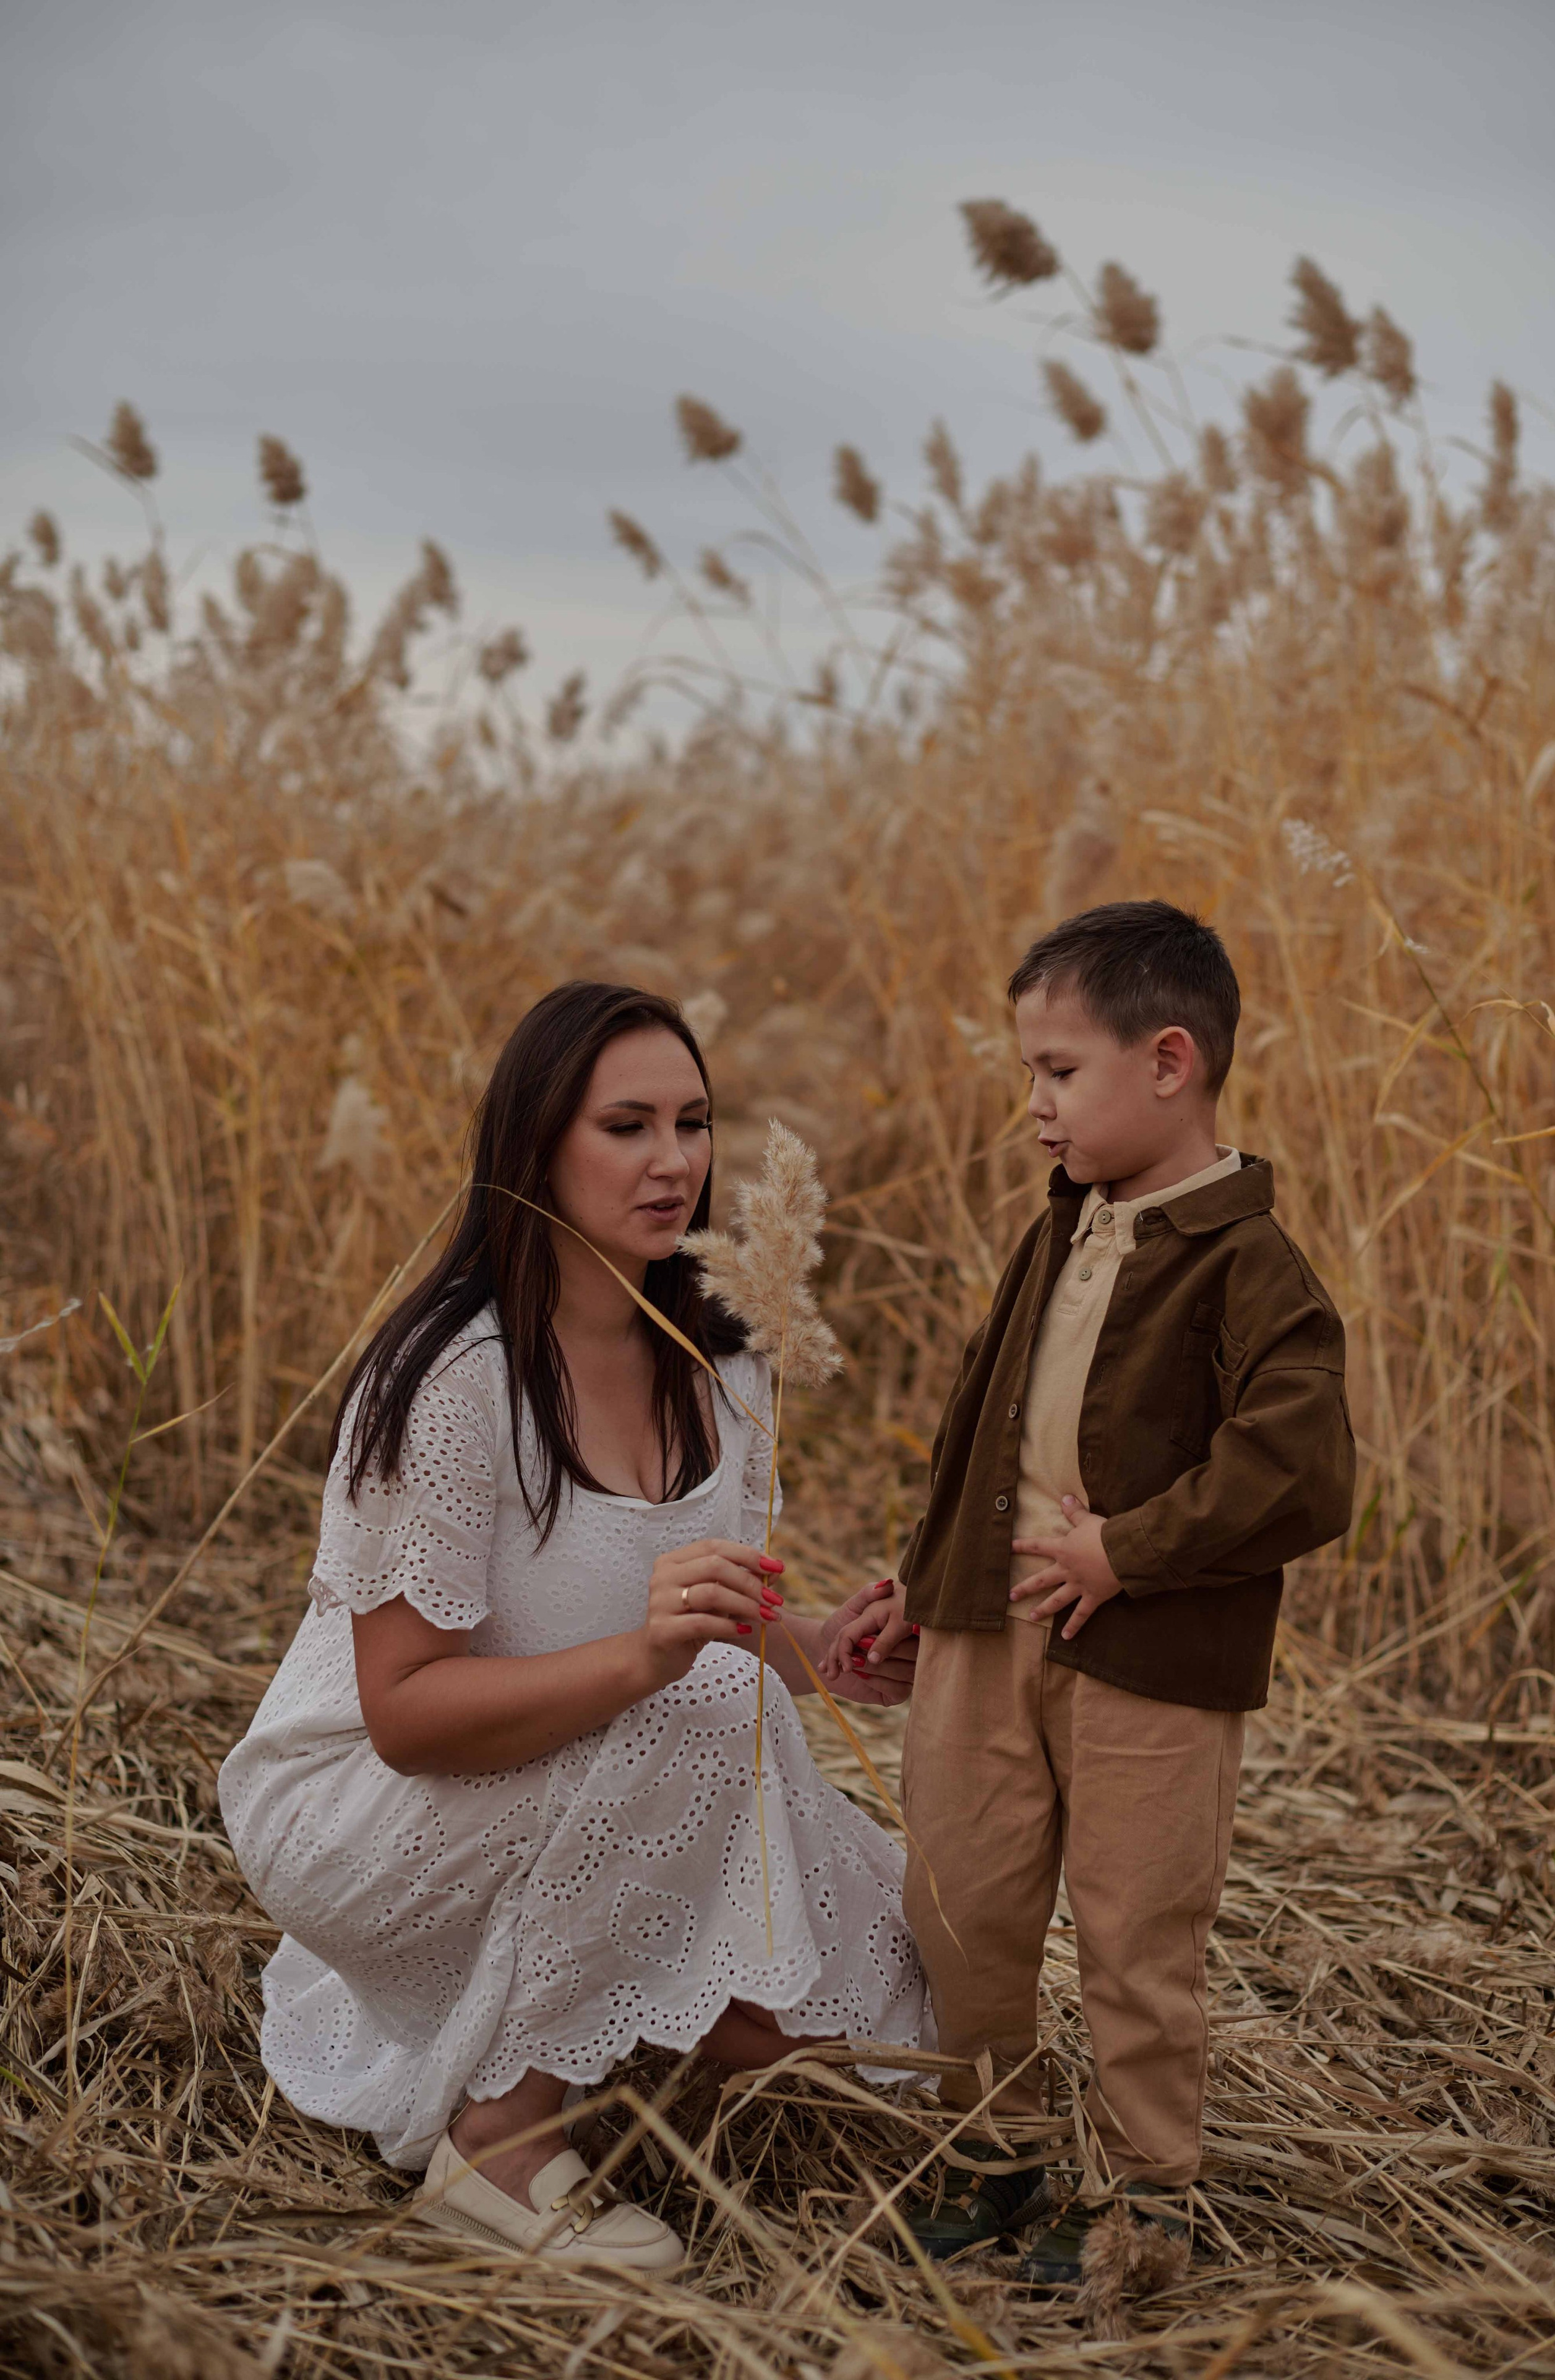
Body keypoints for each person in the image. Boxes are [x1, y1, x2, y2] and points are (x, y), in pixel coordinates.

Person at [220, 981, 927, 2272]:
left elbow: (703, 1609)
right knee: (701, 1714)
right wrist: (645, 1661)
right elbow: (405, 1714)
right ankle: (496, 2148)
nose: (673, 1162)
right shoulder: (448, 1380)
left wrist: (821, 1646)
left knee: (887, 2021)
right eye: (627, 1126)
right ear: (537, 1145)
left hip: (620, 1756)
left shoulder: (725, 1366)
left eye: (694, 1122)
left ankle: (612, 2000)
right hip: (369, 1802)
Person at [825, 901, 1355, 2288]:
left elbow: (1298, 1467)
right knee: (960, 1904)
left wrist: (1126, 1552)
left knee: (1134, 1933)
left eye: (1056, 1072)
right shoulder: (1054, 1234)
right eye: (1028, 1075)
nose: (1033, 1106)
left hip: (1147, 1658)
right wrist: (920, 1579)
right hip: (985, 1632)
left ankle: (1142, 2202)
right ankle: (992, 2156)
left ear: (1168, 1061)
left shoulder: (1249, 1265)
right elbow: (984, 1429)